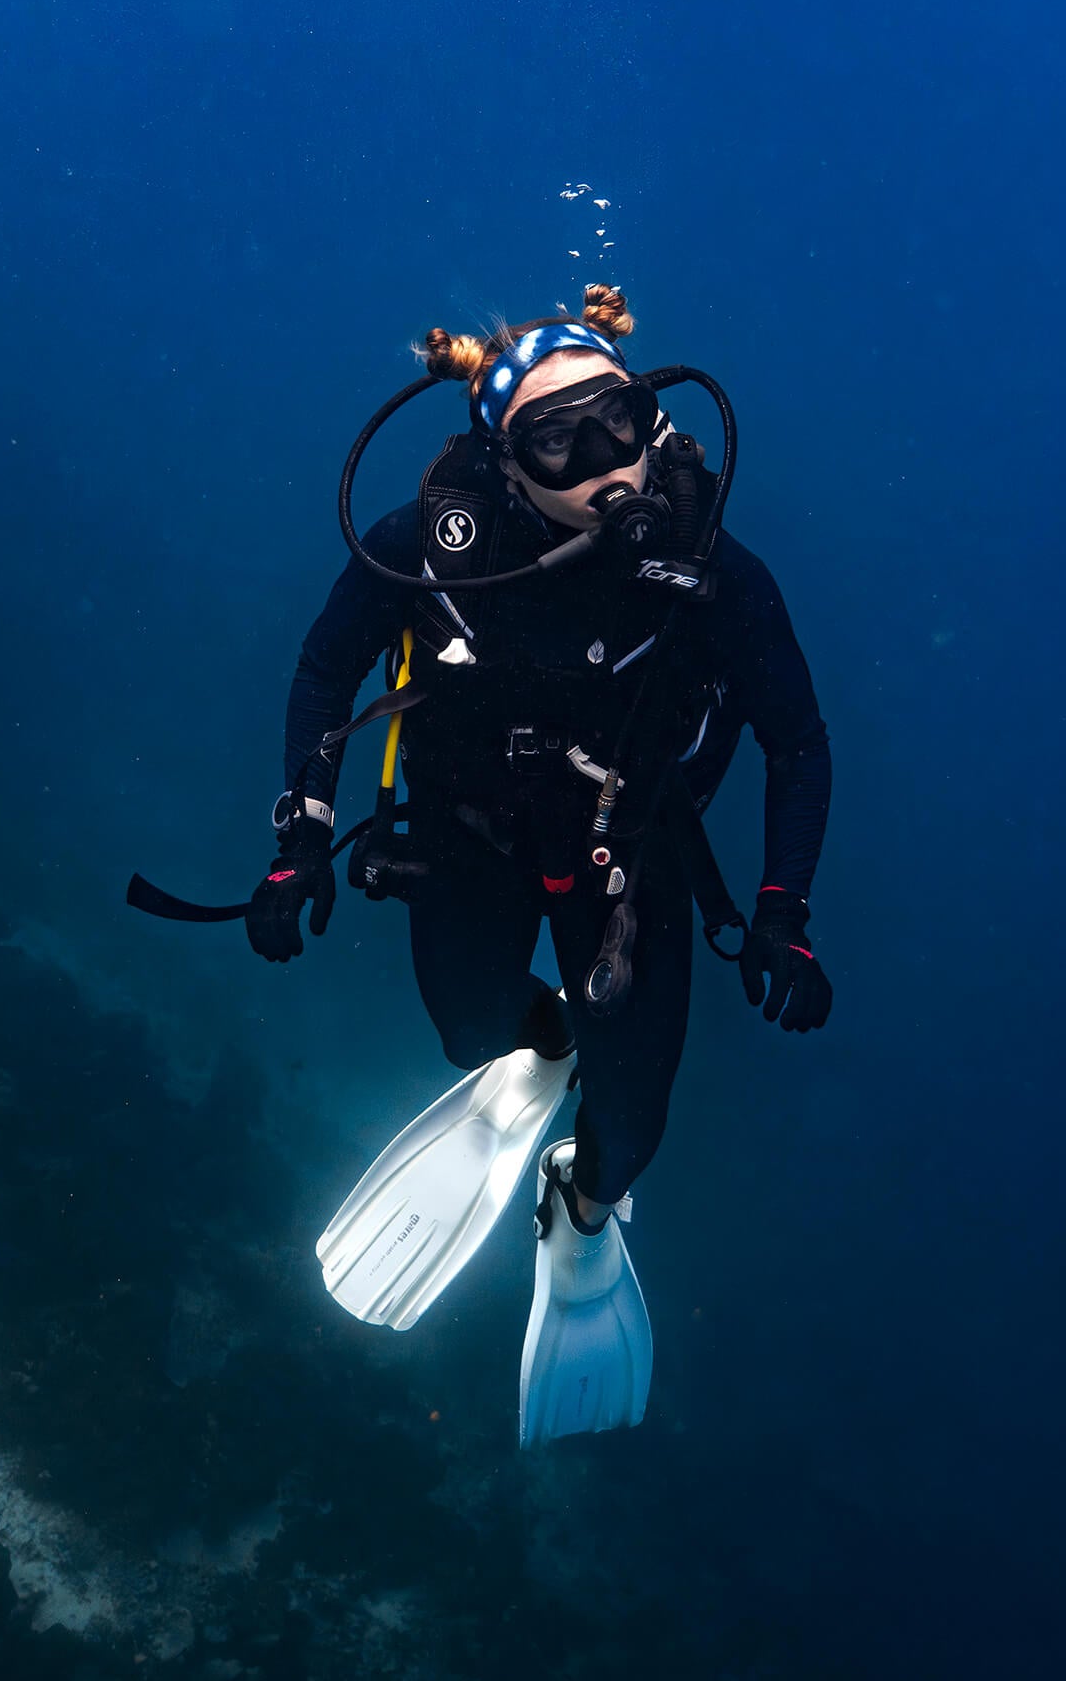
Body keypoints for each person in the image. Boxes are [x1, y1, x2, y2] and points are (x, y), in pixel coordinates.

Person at [246, 283, 833, 1442]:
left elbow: (797, 740)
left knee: (636, 1122)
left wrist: (781, 911)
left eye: (617, 423)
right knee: (473, 1036)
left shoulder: (712, 565)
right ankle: (546, 1039)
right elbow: (326, 669)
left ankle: (586, 1199)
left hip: (637, 854)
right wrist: (300, 835)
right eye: (555, 443)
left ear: (653, 420)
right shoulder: (432, 546)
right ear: (500, 465)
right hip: (472, 836)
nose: (600, 466)